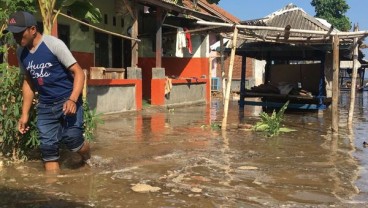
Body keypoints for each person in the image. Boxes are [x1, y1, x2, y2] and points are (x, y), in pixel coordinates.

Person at [3, 11, 91, 173]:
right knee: (48, 150)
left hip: (67, 101)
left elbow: (78, 72)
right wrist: (24, 114)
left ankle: (88, 158)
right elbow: (29, 82)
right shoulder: (21, 52)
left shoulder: (53, 45)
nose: (15, 37)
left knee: (73, 140)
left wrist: (72, 99)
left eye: (19, 33)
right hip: (45, 106)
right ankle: (53, 192)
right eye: (13, 34)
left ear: (33, 29)